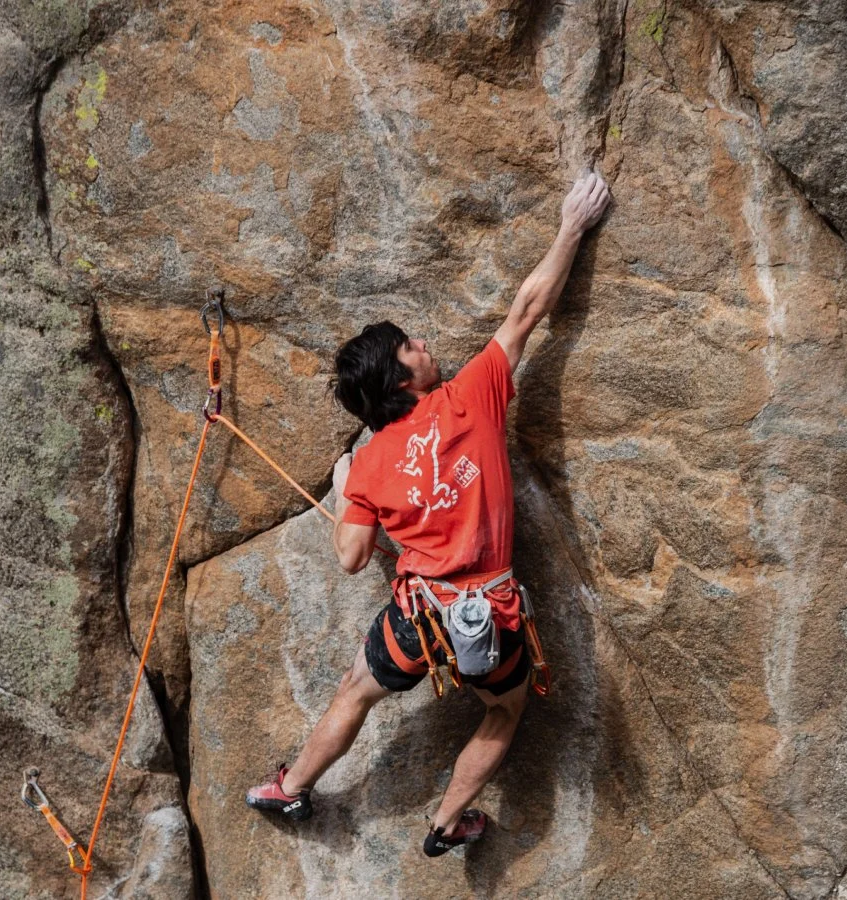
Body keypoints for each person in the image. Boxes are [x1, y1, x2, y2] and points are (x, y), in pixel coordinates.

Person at [246, 172, 611, 856]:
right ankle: (447, 824)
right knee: (504, 708)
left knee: (357, 688)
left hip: (418, 616)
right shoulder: (471, 395)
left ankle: (290, 787)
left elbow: (352, 557)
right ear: (402, 378)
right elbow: (528, 309)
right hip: (489, 613)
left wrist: (347, 487)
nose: (423, 343)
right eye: (410, 346)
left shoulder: (370, 464)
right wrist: (572, 226)